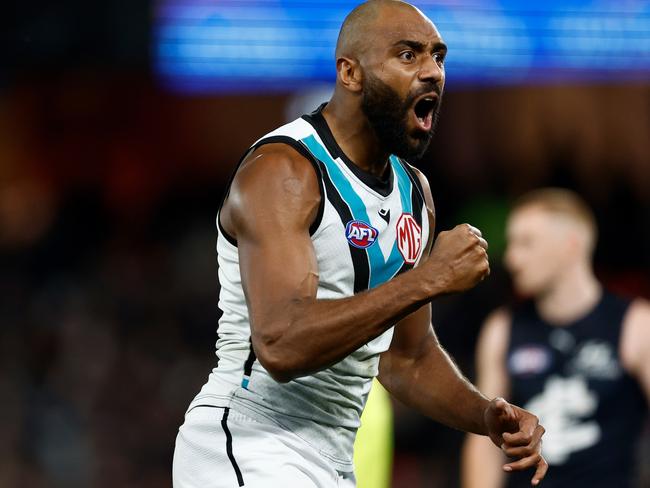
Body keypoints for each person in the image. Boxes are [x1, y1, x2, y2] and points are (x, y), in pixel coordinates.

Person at [172, 1, 548, 487]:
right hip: (250, 439)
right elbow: (281, 344)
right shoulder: (285, 170)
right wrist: (428, 278)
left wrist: (485, 416)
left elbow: (404, 359)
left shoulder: (415, 193)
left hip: (330, 457)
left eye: (439, 56)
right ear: (350, 73)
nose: (432, 71)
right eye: (408, 55)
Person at [462, 188, 650, 488]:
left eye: (527, 243)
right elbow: (484, 441)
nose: (511, 258)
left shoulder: (636, 325)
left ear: (571, 245)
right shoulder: (502, 328)